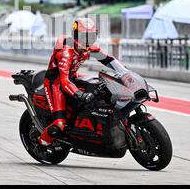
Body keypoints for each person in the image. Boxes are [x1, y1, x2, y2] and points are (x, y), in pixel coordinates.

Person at [39, 17, 126, 147]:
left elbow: (108, 59)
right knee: (60, 124)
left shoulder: (88, 47)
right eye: (84, 36)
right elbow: (64, 81)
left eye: (91, 37)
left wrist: (125, 72)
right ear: (75, 35)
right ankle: (42, 142)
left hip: (72, 78)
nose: (87, 40)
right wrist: (79, 94)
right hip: (56, 83)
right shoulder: (66, 52)